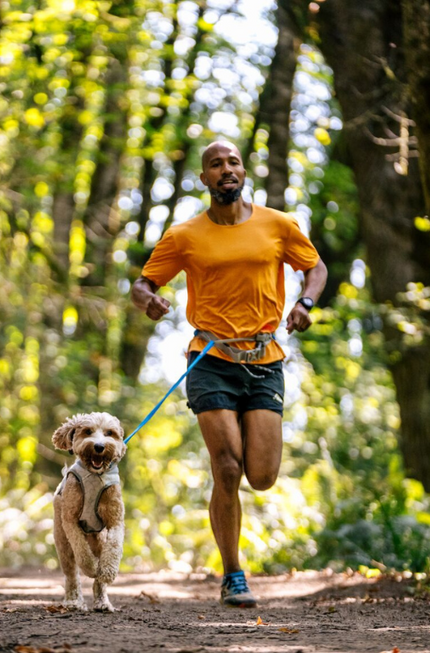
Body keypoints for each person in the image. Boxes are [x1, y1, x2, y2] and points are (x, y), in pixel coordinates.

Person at [130, 140, 327, 608]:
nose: (225, 170)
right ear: (204, 179)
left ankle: (234, 558)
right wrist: (150, 301)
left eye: (233, 162)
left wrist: (304, 303)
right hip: (210, 357)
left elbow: (314, 267)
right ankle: (233, 573)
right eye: (215, 165)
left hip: (265, 359)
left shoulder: (277, 225)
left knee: (261, 476)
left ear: (243, 171)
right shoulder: (185, 235)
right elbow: (142, 283)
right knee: (227, 467)